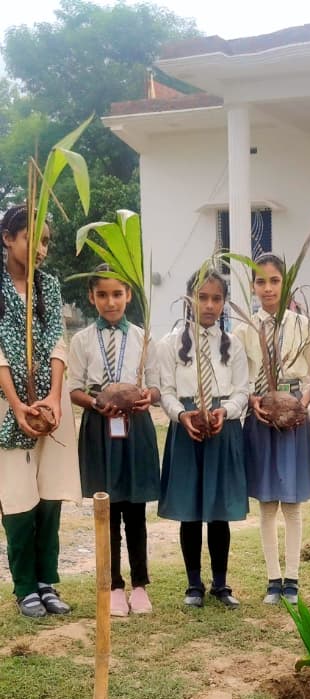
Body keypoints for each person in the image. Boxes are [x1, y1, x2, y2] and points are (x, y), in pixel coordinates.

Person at [0, 204, 81, 619]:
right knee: (18, 497)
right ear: (8, 238)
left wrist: (51, 398)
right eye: (34, 238)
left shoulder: (48, 286)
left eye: (47, 240)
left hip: (51, 401)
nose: (42, 249)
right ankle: (24, 586)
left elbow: (56, 341)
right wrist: (17, 405)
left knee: (50, 494)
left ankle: (47, 582)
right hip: (7, 403)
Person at [68, 267, 161, 617]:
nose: (110, 301)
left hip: (134, 425)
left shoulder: (142, 337)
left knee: (135, 510)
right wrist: (96, 403)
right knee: (107, 510)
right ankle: (114, 586)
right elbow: (75, 387)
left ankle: (139, 585)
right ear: (92, 297)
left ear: (128, 296)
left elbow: (155, 384)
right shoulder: (82, 340)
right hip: (100, 427)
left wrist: (146, 397)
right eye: (103, 295)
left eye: (117, 294)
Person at [158, 267, 249, 609]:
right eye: (202, 297)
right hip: (187, 429)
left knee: (219, 509)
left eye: (216, 298)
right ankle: (193, 584)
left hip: (222, 428)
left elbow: (242, 390)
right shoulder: (170, 344)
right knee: (191, 509)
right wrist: (181, 415)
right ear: (189, 299)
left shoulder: (234, 345)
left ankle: (221, 584)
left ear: (224, 302)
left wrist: (226, 411)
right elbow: (165, 392)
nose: (209, 305)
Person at [235, 254, 310, 605]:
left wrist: (302, 404)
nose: (268, 289)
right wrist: (253, 400)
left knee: (292, 504)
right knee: (267, 503)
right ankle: (273, 580)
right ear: (253, 286)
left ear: (286, 284)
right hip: (261, 418)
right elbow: (240, 379)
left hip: (294, 416)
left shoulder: (305, 327)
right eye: (261, 282)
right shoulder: (243, 329)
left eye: (274, 281)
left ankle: (293, 579)